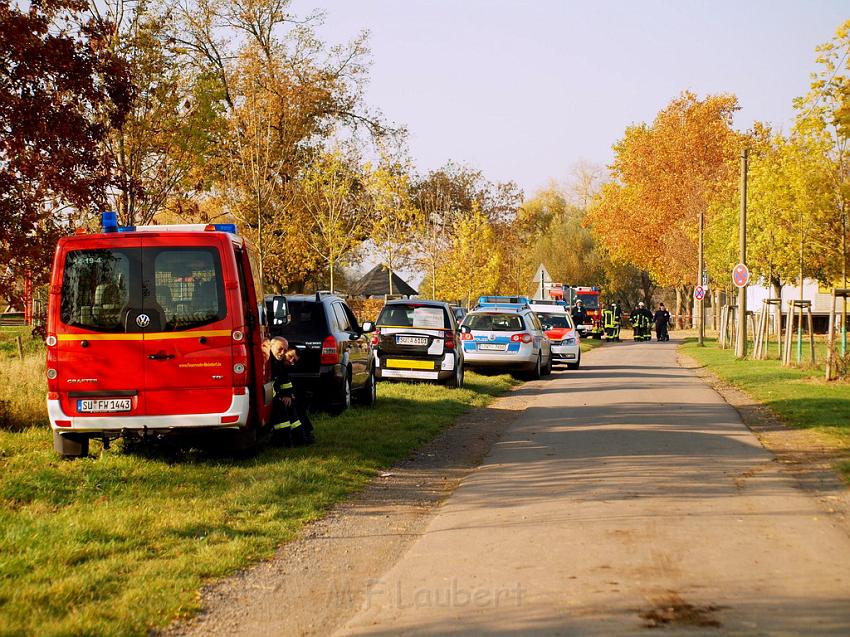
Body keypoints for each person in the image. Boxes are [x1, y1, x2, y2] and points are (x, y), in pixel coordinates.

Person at [269, 337, 315, 446]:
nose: (282, 353)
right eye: (290, 356)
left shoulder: (279, 364)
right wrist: (280, 397)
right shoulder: (270, 361)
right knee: (286, 409)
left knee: (296, 405)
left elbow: (285, 382)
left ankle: (303, 436)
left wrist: (288, 395)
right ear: (271, 345)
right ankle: (291, 440)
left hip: (278, 396)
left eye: (284, 350)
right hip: (272, 399)